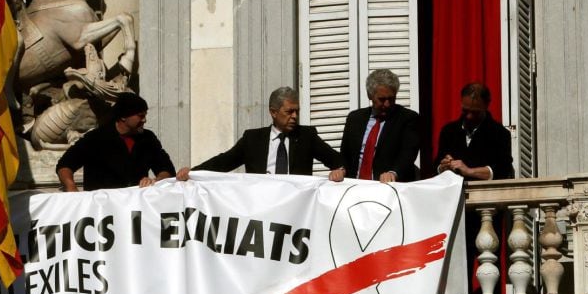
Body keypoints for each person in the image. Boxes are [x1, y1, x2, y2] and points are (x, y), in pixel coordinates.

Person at [176, 87, 345, 181]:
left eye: (297, 111)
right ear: (273, 112)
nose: (295, 116)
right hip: (261, 212)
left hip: (296, 213)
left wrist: (340, 171)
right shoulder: (252, 139)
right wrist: (193, 172)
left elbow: (337, 160)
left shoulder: (307, 136)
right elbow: (223, 162)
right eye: (289, 111)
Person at [56, 93, 175, 191]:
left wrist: (155, 181)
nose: (144, 120)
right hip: (102, 210)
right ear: (124, 116)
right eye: (140, 116)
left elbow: (166, 169)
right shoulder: (95, 138)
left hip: (135, 207)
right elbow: (65, 165)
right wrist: (71, 187)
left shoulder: (148, 138)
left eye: (145, 115)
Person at [339, 69, 420, 183]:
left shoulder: (407, 118)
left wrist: (393, 173)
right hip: (355, 186)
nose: (387, 104)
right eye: (382, 99)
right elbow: (345, 154)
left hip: (388, 186)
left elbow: (408, 154)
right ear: (370, 95)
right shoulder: (355, 118)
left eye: (391, 99)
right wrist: (340, 169)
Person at [435, 82, 514, 181]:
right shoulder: (449, 131)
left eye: (475, 112)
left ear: (487, 105)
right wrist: (443, 167)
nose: (469, 116)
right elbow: (436, 165)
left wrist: (469, 171)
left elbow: (503, 170)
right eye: (465, 110)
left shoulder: (499, 134)